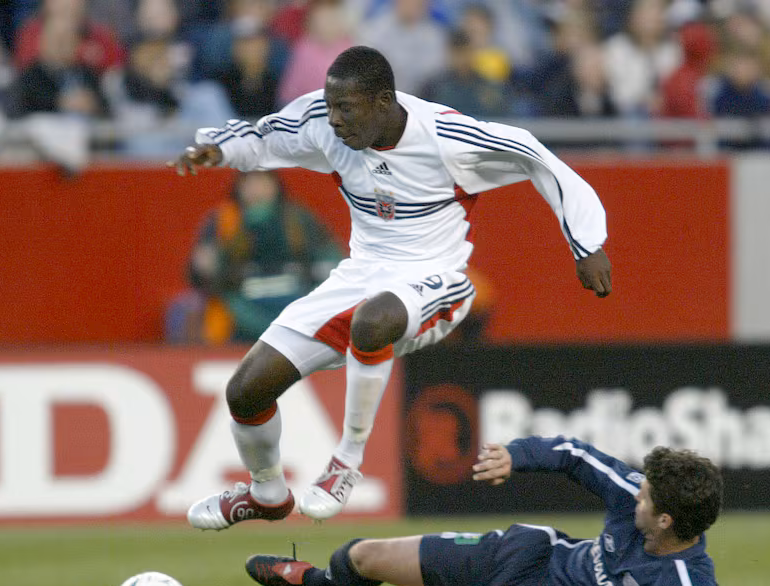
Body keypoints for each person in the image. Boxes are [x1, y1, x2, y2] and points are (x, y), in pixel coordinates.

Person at [169, 45, 612, 525]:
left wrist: (585, 243)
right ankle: (266, 493)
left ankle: (347, 460)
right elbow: (267, 136)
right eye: (331, 107)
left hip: (437, 279)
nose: (335, 121)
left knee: (374, 319)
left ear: (384, 102)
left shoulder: (446, 136)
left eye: (346, 109)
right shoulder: (327, 124)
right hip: (360, 275)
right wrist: (219, 149)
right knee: (245, 391)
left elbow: (535, 155)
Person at [245, 435, 747, 586]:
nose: (635, 491)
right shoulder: (632, 492)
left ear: (666, 520)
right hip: (522, 559)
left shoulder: (685, 580)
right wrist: (516, 456)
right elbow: (575, 456)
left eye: (646, 496)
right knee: (363, 556)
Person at [166, 169, 343, 344]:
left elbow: (330, 263)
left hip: (296, 303)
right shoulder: (223, 220)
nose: (256, 189)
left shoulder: (298, 218)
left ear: (275, 185)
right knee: (183, 308)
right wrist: (209, 267)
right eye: (249, 183)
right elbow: (199, 274)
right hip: (237, 305)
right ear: (238, 187)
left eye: (262, 182)